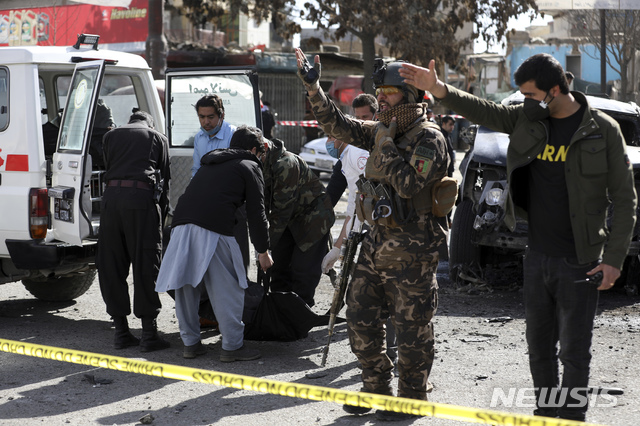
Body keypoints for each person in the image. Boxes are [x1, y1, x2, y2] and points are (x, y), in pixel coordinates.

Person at [399, 53, 637, 421]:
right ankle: (546, 412)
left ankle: (571, 418)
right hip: (537, 255)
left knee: (574, 352)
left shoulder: (602, 130)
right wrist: (438, 89)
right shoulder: (528, 119)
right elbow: (483, 109)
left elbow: (625, 199)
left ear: (554, 90)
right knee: (539, 348)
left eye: (530, 94)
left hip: (582, 259)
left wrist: (614, 259)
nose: (525, 101)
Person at [295, 48, 450, 421]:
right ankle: (375, 386)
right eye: (378, 90)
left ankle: (411, 396)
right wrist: (314, 87)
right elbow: (338, 125)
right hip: (375, 242)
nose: (381, 97)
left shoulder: (428, 139)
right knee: (360, 317)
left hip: (413, 249)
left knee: (412, 328)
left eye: (390, 92)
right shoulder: (383, 127)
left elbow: (410, 184)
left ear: (410, 96)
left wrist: (383, 144)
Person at [156, 126, 273, 362]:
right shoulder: (250, 165)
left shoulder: (210, 164)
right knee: (227, 287)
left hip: (181, 226)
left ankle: (191, 344)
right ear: (254, 150)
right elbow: (256, 213)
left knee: (185, 286)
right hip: (214, 229)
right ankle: (232, 347)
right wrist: (263, 251)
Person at [97, 110, 171, 352]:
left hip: (111, 202)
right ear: (148, 122)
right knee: (146, 264)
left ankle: (121, 332)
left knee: (111, 264)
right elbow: (165, 181)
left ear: (130, 121)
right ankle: (149, 334)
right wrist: (161, 217)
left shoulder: (110, 137)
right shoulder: (157, 138)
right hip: (140, 201)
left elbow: (109, 166)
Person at [262, 136, 335, 308]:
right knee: (278, 266)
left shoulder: (286, 163)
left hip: (314, 217)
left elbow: (281, 211)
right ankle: (279, 308)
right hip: (289, 218)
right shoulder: (258, 161)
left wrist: (264, 248)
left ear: (263, 147)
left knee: (303, 270)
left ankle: (300, 312)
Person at [321, 135, 369, 273]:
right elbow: (353, 208)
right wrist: (337, 248)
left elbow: (366, 195)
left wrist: (338, 248)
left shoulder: (355, 153)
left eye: (331, 137)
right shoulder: (346, 158)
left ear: (341, 137)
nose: (328, 142)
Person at [325, 94, 378, 206]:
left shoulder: (384, 142)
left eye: (365, 117)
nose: (361, 122)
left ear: (376, 116)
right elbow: (334, 190)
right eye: (357, 118)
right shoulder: (350, 152)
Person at [191, 94, 237, 177]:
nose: (206, 122)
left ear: (221, 116)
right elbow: (197, 168)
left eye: (211, 117)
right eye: (202, 117)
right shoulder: (199, 137)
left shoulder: (233, 135)